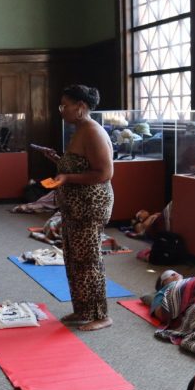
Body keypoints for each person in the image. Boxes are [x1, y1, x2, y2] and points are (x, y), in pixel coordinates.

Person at [32, 84, 114, 331]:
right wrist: (58, 160)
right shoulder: (79, 130)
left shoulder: (92, 131)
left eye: (65, 105)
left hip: (91, 206)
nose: (62, 110)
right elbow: (80, 165)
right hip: (75, 207)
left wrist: (66, 178)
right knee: (74, 258)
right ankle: (83, 310)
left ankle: (101, 315)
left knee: (89, 260)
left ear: (81, 107)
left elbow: (105, 172)